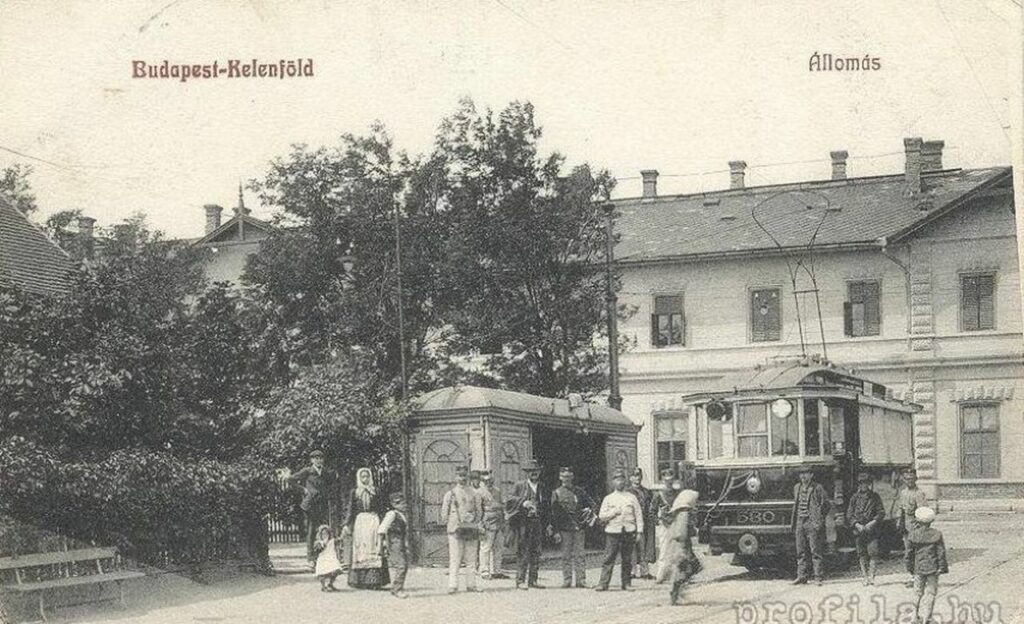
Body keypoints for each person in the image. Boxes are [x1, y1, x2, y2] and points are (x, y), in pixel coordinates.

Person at [287, 450, 339, 566]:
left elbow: (333, 483)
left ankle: (322, 556)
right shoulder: (307, 471)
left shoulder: (325, 472)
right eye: (316, 458)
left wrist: (328, 493)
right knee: (311, 529)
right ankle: (311, 558)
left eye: (320, 458)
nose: (319, 460)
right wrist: (303, 490)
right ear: (312, 460)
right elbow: (290, 480)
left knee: (323, 529)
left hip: (323, 504)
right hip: (311, 504)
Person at [595, 469, 644, 592]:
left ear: (625, 481)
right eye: (617, 479)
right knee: (609, 558)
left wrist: (639, 532)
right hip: (613, 532)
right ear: (613, 482)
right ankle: (603, 583)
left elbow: (638, 515)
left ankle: (626, 583)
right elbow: (601, 516)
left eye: (622, 479)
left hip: (628, 531)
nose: (620, 482)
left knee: (627, 559)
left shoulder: (631, 497)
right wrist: (613, 512)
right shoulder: (608, 498)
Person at [549, 466, 596, 588]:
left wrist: (589, 512)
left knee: (580, 555)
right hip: (565, 529)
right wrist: (556, 531)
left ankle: (581, 580)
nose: (566, 479)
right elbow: (553, 514)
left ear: (572, 477)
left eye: (569, 476)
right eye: (564, 476)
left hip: (579, 528)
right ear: (560, 477)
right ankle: (567, 580)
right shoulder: (556, 493)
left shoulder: (579, 491)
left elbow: (592, 504)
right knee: (566, 555)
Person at [343, 467, 389, 589]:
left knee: (374, 548)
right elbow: (351, 509)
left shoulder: (376, 491)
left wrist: (383, 523)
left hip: (373, 521)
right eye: (362, 476)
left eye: (367, 476)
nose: (365, 479)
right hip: (360, 523)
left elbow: (381, 508)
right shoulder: (355, 492)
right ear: (359, 478)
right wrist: (347, 524)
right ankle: (359, 581)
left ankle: (374, 581)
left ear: (370, 477)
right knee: (360, 550)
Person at [441, 465, 484, 594]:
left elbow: (479, 510)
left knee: (471, 559)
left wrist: (474, 521)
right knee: (455, 558)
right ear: (455, 476)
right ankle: (453, 585)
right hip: (455, 529)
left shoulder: (475, 493)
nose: (462, 478)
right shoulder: (450, 494)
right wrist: (451, 523)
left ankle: (471, 585)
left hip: (470, 528)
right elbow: (444, 513)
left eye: (465, 476)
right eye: (460, 475)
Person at [506, 458, 548, 590]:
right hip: (523, 523)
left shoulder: (542, 486)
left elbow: (547, 506)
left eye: (536, 471)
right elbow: (509, 500)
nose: (533, 473)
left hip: (537, 523)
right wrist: (523, 502)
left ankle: (533, 580)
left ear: (539, 472)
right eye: (531, 471)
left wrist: (548, 524)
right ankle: (520, 580)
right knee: (523, 551)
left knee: (536, 551)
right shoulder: (520, 485)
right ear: (527, 473)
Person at [906, 507, 948, 624]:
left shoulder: (913, 535)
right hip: (933, 568)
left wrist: (909, 568)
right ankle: (927, 618)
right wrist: (942, 567)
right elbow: (941, 552)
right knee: (931, 593)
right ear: (931, 521)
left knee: (917, 592)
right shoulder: (937, 534)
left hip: (918, 567)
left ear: (917, 520)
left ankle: (914, 616)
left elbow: (909, 554)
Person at [661, 489, 702, 606]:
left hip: (680, 543)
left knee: (686, 568)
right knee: (683, 567)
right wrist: (683, 548)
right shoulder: (684, 513)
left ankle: (678, 593)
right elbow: (681, 533)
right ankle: (675, 594)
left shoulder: (679, 513)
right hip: (681, 544)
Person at [791, 466, 830, 586]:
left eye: (806, 473)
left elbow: (826, 505)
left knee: (815, 550)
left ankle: (818, 577)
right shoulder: (797, 487)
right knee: (800, 550)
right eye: (801, 474)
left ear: (811, 475)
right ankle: (802, 576)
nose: (803, 476)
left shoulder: (817, 488)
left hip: (811, 522)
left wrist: (818, 518)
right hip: (799, 521)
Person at [846, 473, 885, 585]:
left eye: (866, 483)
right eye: (862, 483)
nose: (864, 485)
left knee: (873, 553)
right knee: (861, 554)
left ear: (869, 484)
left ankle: (872, 576)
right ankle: (865, 577)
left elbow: (881, 512)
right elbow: (849, 515)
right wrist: (857, 524)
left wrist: (872, 523)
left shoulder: (875, 497)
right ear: (859, 484)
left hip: (872, 530)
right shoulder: (854, 498)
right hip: (858, 530)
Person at [897, 468, 929, 588]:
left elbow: (923, 512)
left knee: (918, 554)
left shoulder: (919, 494)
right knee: (908, 554)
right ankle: (912, 576)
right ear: (904, 480)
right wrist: (899, 520)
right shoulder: (903, 493)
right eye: (906, 479)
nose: (909, 481)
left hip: (916, 528)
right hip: (906, 528)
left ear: (916, 479)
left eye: (911, 478)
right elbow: (901, 508)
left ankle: (919, 578)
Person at [378, 491, 411, 599]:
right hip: (394, 542)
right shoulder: (392, 514)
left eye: (404, 503)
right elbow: (382, 529)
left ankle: (396, 588)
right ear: (393, 504)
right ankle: (397, 589)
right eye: (400, 503)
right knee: (401, 565)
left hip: (400, 541)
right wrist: (381, 544)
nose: (403, 505)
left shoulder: (402, 515)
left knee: (403, 565)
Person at [650, 468, 681, 583]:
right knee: (663, 551)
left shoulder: (677, 494)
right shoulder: (659, 495)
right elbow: (652, 511)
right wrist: (658, 521)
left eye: (670, 480)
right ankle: (660, 575)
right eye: (666, 480)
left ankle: (674, 576)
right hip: (664, 525)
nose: (668, 482)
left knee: (675, 551)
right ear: (662, 480)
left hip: (676, 523)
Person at [477, 470, 508, 580]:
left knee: (498, 547)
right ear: (482, 481)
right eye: (486, 481)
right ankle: (484, 571)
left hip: (499, 521)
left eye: (490, 480)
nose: (488, 482)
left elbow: (502, 506)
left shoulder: (497, 491)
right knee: (485, 547)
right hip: (487, 522)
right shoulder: (479, 493)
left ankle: (497, 570)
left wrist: (504, 520)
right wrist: (480, 524)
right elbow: (478, 510)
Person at [628, 467, 656, 580]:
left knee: (643, 547)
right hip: (631, 522)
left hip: (644, 523)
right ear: (630, 478)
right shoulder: (627, 492)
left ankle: (645, 571)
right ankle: (632, 571)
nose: (637, 478)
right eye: (634, 475)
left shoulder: (646, 492)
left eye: (639, 475)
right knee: (631, 548)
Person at [313, 525, 343, 592]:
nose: (325, 535)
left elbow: (339, 540)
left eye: (326, 533)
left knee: (336, 570)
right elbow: (317, 550)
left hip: (331, 557)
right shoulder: (318, 542)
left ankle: (330, 584)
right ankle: (323, 586)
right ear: (320, 534)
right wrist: (322, 543)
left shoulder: (332, 541)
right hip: (323, 558)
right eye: (323, 534)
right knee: (322, 573)